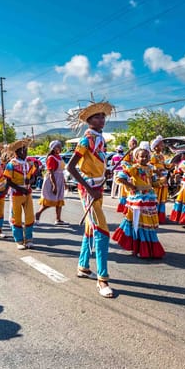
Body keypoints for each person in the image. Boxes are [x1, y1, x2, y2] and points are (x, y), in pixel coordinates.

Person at [66, 101, 116, 298]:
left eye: (103, 116)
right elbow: (70, 168)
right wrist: (89, 188)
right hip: (89, 190)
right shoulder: (85, 141)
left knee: (90, 228)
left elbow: (97, 165)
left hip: (98, 188)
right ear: (88, 121)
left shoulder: (100, 139)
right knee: (102, 231)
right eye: (97, 117)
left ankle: (83, 265)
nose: (101, 119)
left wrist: (106, 173)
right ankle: (102, 279)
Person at [112, 142, 165, 258]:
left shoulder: (150, 169)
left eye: (146, 156)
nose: (144, 158)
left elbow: (152, 183)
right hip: (138, 200)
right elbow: (119, 177)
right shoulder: (134, 168)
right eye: (142, 156)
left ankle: (147, 248)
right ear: (136, 157)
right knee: (139, 224)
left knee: (148, 224)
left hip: (149, 199)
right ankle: (139, 248)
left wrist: (161, 181)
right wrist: (131, 187)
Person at [4, 139, 37, 249]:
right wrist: (20, 189)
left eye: (26, 150)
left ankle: (29, 239)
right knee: (16, 217)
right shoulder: (11, 164)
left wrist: (30, 182)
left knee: (29, 216)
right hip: (16, 194)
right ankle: (19, 240)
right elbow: (8, 181)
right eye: (23, 150)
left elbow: (33, 177)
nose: (25, 152)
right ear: (17, 152)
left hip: (27, 193)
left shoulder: (29, 163)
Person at [36, 140, 67, 225]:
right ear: (54, 148)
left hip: (59, 179)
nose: (60, 148)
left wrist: (64, 182)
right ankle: (38, 214)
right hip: (53, 180)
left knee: (59, 200)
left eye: (60, 146)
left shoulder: (59, 157)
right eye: (58, 147)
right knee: (50, 200)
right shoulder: (51, 158)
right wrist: (54, 186)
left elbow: (61, 171)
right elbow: (51, 172)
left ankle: (58, 219)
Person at [148, 136, 172, 223]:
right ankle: (154, 215)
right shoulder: (152, 156)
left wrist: (171, 165)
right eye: (160, 144)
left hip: (163, 178)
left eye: (162, 144)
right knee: (156, 196)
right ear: (155, 147)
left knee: (162, 197)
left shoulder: (162, 156)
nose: (162, 146)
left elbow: (165, 165)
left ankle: (160, 215)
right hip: (156, 178)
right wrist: (157, 170)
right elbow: (149, 166)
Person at [116, 136, 139, 213]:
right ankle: (125, 208)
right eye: (132, 144)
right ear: (129, 145)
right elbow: (123, 163)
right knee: (126, 191)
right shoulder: (127, 153)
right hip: (128, 172)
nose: (134, 145)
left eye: (135, 144)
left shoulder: (138, 153)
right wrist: (130, 167)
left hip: (135, 172)